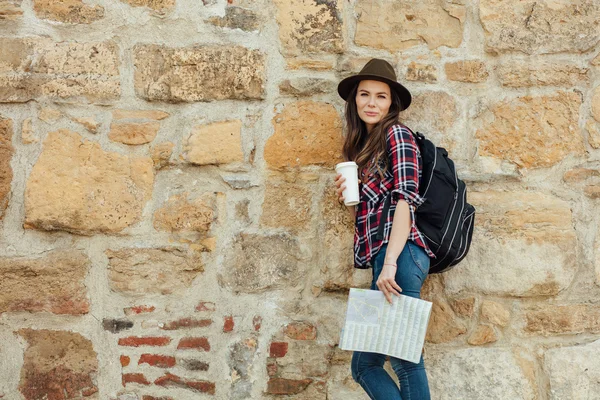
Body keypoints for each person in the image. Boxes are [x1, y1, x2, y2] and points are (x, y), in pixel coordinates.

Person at [334, 58, 434, 400]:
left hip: (401, 256)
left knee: (406, 361)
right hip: (384, 258)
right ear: (355, 100)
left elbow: (406, 201)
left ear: (392, 103)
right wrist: (351, 199)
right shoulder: (363, 148)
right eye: (364, 95)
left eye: (381, 96)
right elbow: (368, 217)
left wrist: (390, 262)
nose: (371, 103)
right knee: (363, 366)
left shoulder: (397, 134)